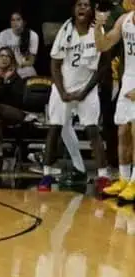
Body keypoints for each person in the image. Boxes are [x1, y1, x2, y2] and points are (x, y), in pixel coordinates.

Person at [38, 0, 110, 194]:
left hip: (87, 88)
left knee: (93, 130)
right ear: (73, 9)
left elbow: (103, 67)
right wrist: (62, 91)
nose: (82, 8)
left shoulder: (98, 32)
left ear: (92, 10)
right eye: (79, 5)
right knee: (54, 128)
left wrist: (84, 92)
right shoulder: (66, 30)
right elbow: (54, 64)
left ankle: (103, 176)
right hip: (64, 87)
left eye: (86, 5)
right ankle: (46, 174)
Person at [95, 5, 135, 200]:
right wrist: (98, 28)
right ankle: (124, 179)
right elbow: (103, 45)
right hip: (128, 79)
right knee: (122, 132)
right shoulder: (125, 20)